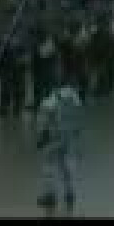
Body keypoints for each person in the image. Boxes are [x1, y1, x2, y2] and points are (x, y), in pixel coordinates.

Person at [34, 67, 83, 218]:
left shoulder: (50, 100)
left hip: (53, 139)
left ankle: (50, 196)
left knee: (48, 167)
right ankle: (70, 193)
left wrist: (41, 137)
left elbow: (43, 121)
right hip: (69, 138)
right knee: (67, 166)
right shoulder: (74, 96)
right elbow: (79, 115)